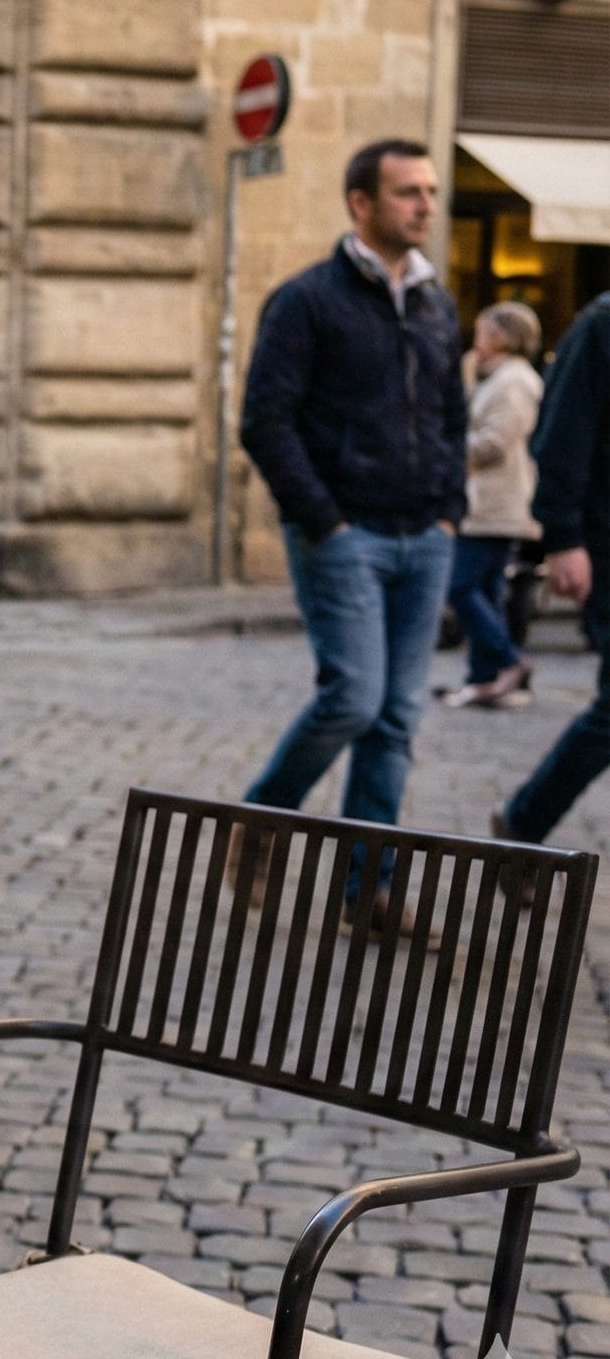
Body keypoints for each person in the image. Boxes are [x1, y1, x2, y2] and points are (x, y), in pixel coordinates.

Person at [238, 139, 463, 898]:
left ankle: (369, 893)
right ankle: (263, 818)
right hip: (345, 535)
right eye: (408, 193)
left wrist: (448, 514)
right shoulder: (307, 300)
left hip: (424, 537)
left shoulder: (437, 303)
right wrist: (324, 520)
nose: (426, 206)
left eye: (429, 191)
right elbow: (266, 421)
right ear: (360, 204)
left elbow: (451, 419)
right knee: (354, 699)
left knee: (395, 720)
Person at [496, 292, 610, 845]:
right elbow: (560, 440)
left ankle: (524, 820)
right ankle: (524, 822)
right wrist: (563, 538)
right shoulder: (601, 326)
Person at [441, 302, 544, 709]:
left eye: (482, 333)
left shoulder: (514, 382)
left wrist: (444, 453)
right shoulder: (495, 379)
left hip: (496, 504)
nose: (476, 342)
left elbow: (492, 442)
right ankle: (485, 678)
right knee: (485, 589)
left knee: (462, 587)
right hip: (486, 503)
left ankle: (508, 661)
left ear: (501, 338)